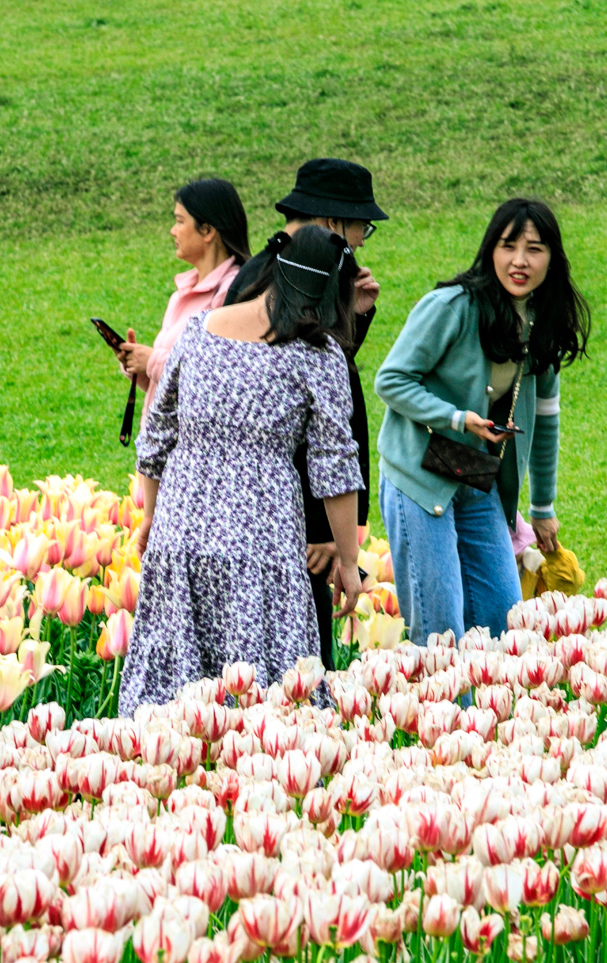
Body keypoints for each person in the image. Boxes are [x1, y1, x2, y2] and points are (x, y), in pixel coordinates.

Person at [118, 227, 367, 717]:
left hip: (181, 530)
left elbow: (156, 437)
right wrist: (347, 557)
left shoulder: (200, 329)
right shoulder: (317, 356)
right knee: (263, 698)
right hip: (263, 539)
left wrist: (150, 515)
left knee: (174, 696)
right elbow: (336, 467)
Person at [373, 198, 591, 642]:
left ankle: (489, 714)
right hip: (419, 477)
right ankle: (441, 711)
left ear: (553, 258)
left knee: (503, 617)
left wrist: (543, 508)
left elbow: (545, 421)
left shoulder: (539, 322)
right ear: (491, 248)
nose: (519, 261)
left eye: (534, 249)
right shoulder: (452, 307)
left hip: (477, 478)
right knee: (442, 631)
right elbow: (391, 379)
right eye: (508, 246)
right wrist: (454, 418)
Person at [224, 159, 386, 669]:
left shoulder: (291, 268)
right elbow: (287, 416)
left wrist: (353, 318)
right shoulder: (284, 277)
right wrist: (321, 528)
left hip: (287, 510)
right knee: (300, 666)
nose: (361, 240)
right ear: (332, 222)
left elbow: (315, 379)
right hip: (295, 518)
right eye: (361, 226)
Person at [116, 179, 252, 410]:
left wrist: (151, 360)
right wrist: (137, 363)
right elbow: (166, 386)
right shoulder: (181, 293)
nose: (172, 230)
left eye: (179, 221)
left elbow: (215, 378)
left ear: (207, 230)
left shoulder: (232, 293)